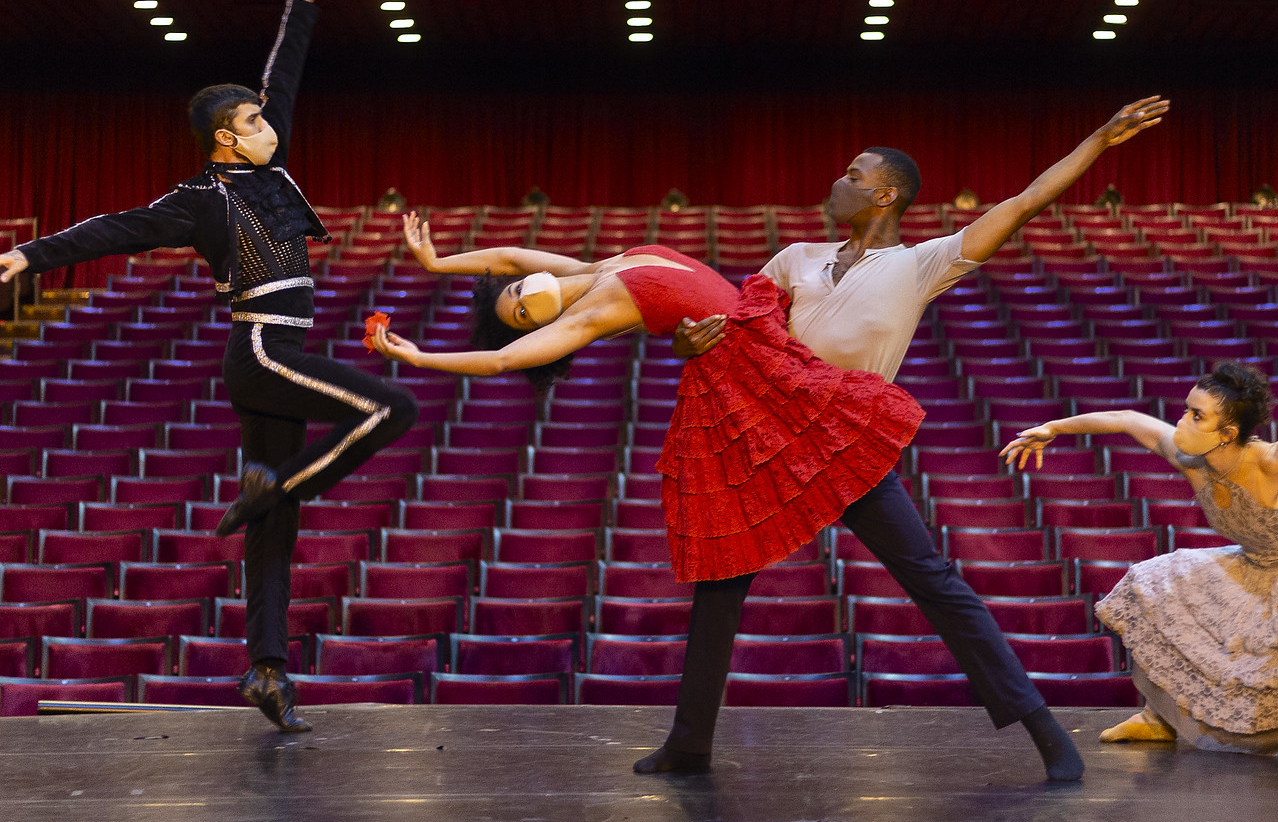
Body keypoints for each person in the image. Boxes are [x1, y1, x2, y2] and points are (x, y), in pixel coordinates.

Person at [0, 0, 418, 735]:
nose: (269, 125)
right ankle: (271, 491)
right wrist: (29, 254)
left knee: (276, 528)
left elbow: (284, 79)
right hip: (262, 351)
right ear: (225, 140)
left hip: (269, 354)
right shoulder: (201, 199)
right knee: (391, 410)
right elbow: (120, 227)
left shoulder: (271, 170)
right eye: (252, 122)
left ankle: (268, 670)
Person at [661, 96, 1172, 781]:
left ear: (884, 192)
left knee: (933, 582)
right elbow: (739, 340)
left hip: (847, 442)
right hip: (777, 444)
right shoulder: (794, 258)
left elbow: (1023, 203)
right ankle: (688, 744)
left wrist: (1099, 141)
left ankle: (1047, 733)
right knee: (719, 586)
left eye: (852, 172)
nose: (836, 181)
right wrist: (690, 342)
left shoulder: (923, 263)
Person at [369, 214, 924, 588]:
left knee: (848, 475)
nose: (519, 297)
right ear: (539, 328)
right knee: (825, 481)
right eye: (519, 316)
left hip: (771, 350)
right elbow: (500, 361)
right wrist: (420, 360)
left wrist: (439, 264)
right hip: (755, 379)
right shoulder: (593, 311)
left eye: (512, 294)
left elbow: (512, 258)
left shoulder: (594, 271)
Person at [1000, 363, 1278, 772]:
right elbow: (1127, 419)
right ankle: (1161, 718)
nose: (1181, 422)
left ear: (1227, 432)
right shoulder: (1192, 460)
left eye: (1196, 416)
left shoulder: (1272, 460)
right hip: (1257, 565)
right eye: (1186, 411)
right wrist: (1052, 428)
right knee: (1154, 581)